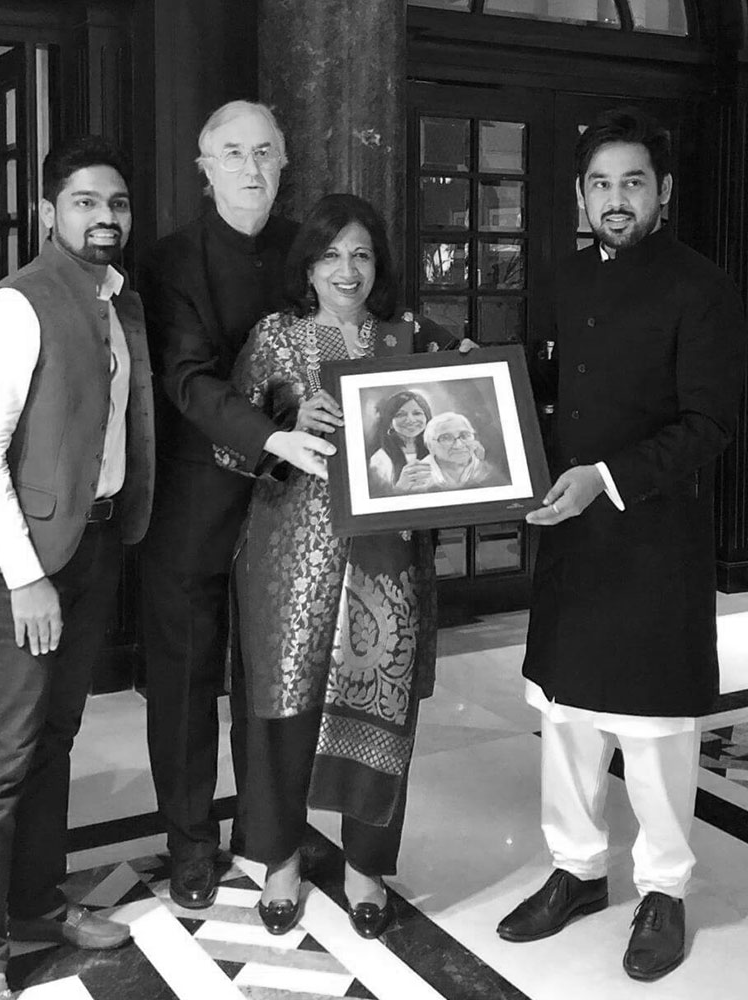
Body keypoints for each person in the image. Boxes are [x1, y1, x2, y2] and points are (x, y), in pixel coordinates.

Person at [496, 108, 746, 982]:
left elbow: (709, 423)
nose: (615, 199)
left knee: (652, 727)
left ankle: (665, 890)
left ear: (662, 192)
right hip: (570, 539)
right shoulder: (561, 279)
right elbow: (533, 387)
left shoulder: (702, 288)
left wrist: (604, 477)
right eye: (600, 184)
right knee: (566, 715)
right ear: (579, 194)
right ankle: (576, 870)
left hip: (653, 538)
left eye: (632, 183)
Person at [223, 193, 470, 939]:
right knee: (283, 708)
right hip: (289, 555)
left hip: (386, 559)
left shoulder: (410, 337)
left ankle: (365, 865)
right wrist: (284, 425)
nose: (346, 269)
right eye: (330, 254)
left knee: (382, 705)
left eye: (361, 254)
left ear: (379, 264)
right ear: (307, 265)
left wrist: (472, 381)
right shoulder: (275, 337)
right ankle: (280, 860)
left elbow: (468, 407)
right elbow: (228, 446)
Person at [0, 136, 155, 1000]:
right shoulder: (14, 306)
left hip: (93, 545)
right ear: (48, 212)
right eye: (85, 202)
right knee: (3, 757)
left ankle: (36, 902)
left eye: (117, 203)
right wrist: (25, 577)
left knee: (56, 739)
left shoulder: (117, 301)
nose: (105, 217)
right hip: (24, 566)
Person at [139, 101, 332, 910]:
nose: (250, 169)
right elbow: (185, 377)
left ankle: (269, 830)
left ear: (283, 162)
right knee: (185, 680)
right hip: (193, 500)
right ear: (204, 166)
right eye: (232, 153)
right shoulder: (170, 260)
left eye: (263, 153)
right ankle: (190, 842)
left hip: (290, 504)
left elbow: (353, 320)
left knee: (273, 676)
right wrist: (271, 433)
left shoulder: (306, 249)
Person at [367, 390, 434, 495]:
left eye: (417, 413)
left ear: (427, 418)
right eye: (400, 415)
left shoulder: (438, 450)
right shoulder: (380, 459)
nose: (410, 420)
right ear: (390, 423)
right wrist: (401, 487)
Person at [422, 411, 508, 490]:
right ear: (430, 446)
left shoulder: (488, 472)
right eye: (446, 438)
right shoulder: (418, 476)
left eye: (465, 435)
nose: (458, 445)